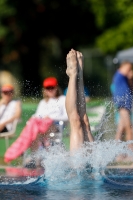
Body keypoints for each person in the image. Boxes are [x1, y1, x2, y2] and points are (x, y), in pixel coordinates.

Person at [4, 77, 68, 165]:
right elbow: (37, 115)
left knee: (33, 130)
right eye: (47, 88)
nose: (50, 90)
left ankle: (28, 153)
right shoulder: (43, 102)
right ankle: (35, 157)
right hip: (41, 128)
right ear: (44, 90)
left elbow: (67, 117)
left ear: (56, 88)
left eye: (51, 88)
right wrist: (41, 118)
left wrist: (51, 117)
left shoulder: (62, 99)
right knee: (33, 129)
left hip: (56, 126)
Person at [65, 49, 94, 152]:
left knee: (80, 121)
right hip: (86, 167)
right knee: (80, 120)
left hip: (84, 167)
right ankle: (76, 74)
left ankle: (74, 74)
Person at [111, 61, 133, 142]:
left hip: (126, 104)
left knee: (121, 129)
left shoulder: (124, 78)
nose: (130, 70)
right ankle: (130, 149)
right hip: (122, 104)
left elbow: (131, 87)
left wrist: (130, 78)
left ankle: (116, 148)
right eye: (129, 68)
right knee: (129, 127)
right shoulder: (119, 75)